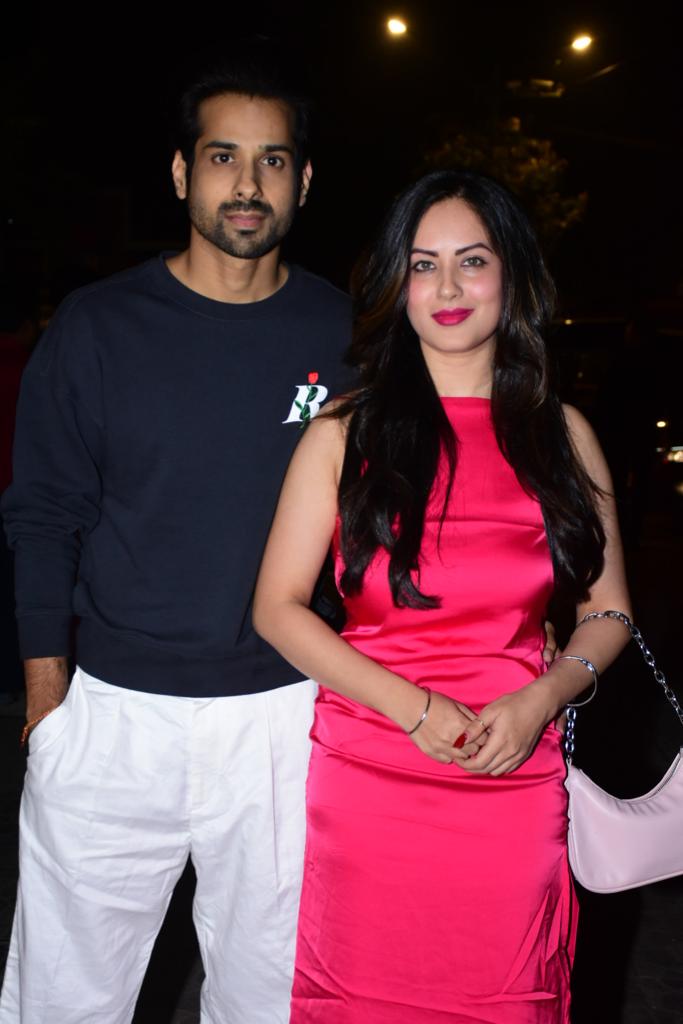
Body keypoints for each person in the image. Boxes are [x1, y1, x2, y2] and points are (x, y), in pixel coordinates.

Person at [0, 57, 351, 1024]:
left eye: (272, 161)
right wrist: (48, 704)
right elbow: (44, 514)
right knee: (65, 999)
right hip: (113, 717)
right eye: (223, 157)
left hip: (283, 719)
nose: (247, 184)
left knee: (271, 998)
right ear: (181, 172)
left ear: (303, 180)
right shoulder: (98, 326)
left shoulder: (345, 331)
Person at [253, 169, 632, 1023]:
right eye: (424, 264)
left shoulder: (562, 435)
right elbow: (276, 607)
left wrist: (542, 698)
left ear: (512, 276)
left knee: (506, 996)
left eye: (473, 260)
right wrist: (413, 709)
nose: (449, 287)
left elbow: (607, 613)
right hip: (370, 773)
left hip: (513, 775)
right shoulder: (342, 433)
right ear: (399, 283)